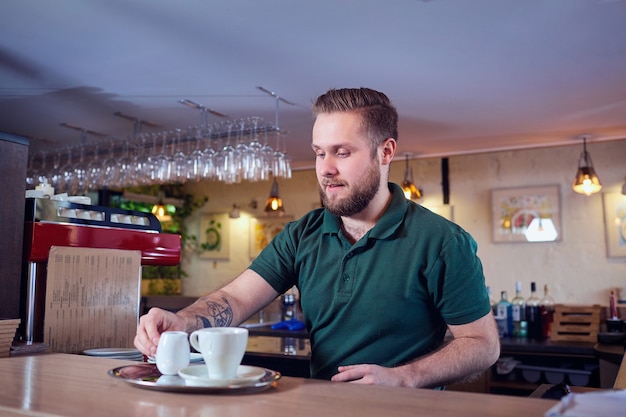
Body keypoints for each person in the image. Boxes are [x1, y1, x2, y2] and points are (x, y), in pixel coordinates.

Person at [134, 87, 500, 388]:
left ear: (385, 151)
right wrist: (182, 321)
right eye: (319, 152)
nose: (325, 168)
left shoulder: (443, 242)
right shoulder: (302, 234)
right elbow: (235, 298)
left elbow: (482, 345)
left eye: (342, 152)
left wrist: (404, 378)